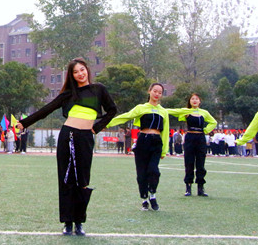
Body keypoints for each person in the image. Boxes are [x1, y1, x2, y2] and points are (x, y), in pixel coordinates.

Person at [16, 58, 116, 236]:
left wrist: (97, 128)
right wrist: (24, 123)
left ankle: (79, 222)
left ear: (87, 70)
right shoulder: (69, 93)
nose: (80, 74)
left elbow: (112, 111)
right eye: (76, 72)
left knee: (82, 180)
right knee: (66, 180)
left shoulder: (99, 89)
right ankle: (68, 223)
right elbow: (46, 109)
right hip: (67, 136)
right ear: (72, 75)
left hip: (85, 138)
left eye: (82, 70)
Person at [107, 83, 169, 212]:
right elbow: (126, 116)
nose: (157, 94)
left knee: (153, 171)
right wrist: (107, 123)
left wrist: (164, 150)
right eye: (155, 91)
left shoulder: (163, 112)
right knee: (141, 173)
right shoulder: (141, 108)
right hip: (143, 142)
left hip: (156, 142)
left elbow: (166, 131)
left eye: (160, 92)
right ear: (149, 91)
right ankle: (144, 199)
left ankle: (153, 194)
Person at [167, 93, 217, 197]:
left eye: (197, 99)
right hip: (190, 137)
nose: (194, 100)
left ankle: (200, 187)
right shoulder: (186, 111)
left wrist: (206, 130)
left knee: (200, 163)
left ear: (200, 101)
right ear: (189, 101)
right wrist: (160, 109)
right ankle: (188, 187)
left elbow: (213, 122)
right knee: (189, 162)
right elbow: (173, 111)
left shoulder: (204, 112)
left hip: (200, 138)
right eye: (192, 99)